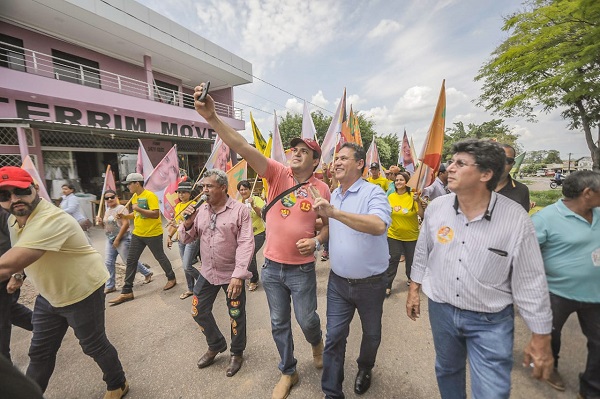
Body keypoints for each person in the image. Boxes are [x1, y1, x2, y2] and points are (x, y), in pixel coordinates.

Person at [193, 83, 330, 399]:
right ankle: (288, 372)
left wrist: (318, 243)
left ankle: (316, 342)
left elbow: (326, 229)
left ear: (315, 162)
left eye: (303, 151)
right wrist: (213, 117)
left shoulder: (321, 190)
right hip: (272, 269)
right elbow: (241, 145)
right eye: (293, 149)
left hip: (302, 271)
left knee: (307, 319)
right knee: (278, 323)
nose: (295, 152)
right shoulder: (277, 174)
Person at [406, 139, 554, 399]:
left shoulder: (515, 218)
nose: (449, 168)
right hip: (441, 309)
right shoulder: (438, 209)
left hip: (491, 320)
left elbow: (530, 280)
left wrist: (541, 336)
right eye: (452, 161)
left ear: (486, 174)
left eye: (460, 163)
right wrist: (414, 288)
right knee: (447, 369)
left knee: (492, 391)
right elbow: (423, 251)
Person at [0, 166, 128, 399]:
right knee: (39, 352)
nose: (14, 199)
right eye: (4, 195)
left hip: (82, 291)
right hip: (49, 295)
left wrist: (12, 270)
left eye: (20, 190)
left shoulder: (51, 219)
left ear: (35, 188)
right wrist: (18, 275)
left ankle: (118, 383)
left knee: (93, 345)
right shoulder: (13, 220)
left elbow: (6, 265)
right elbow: (18, 255)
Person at [313, 142, 391, 398]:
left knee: (372, 334)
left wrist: (334, 213)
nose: (336, 162)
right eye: (336, 158)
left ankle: (365, 368)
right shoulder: (334, 194)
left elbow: (378, 225)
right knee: (334, 336)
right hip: (338, 283)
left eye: (343, 158)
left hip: (372, 284)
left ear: (360, 164)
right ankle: (332, 392)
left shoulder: (373, 193)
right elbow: (330, 226)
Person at [532, 170, 600, 398]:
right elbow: (526, 256)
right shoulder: (545, 219)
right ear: (588, 193)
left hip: (595, 294)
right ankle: (550, 369)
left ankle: (591, 388)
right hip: (556, 293)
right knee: (550, 335)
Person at [179, 169, 253, 377]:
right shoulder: (201, 210)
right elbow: (186, 239)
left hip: (232, 275)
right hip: (208, 273)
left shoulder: (240, 211)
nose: (204, 191)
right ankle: (216, 344)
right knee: (198, 311)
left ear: (222, 187)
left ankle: (236, 353)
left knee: (236, 315)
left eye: (208, 186)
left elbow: (246, 243)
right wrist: (187, 223)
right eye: (203, 186)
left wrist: (239, 275)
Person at [109, 173, 177, 305]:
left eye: (129, 184)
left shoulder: (150, 196)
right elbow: (136, 214)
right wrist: (125, 216)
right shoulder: (135, 197)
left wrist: (138, 208)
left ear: (137, 183)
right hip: (138, 234)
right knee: (131, 260)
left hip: (153, 234)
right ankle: (127, 290)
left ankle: (171, 278)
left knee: (160, 257)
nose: (127, 187)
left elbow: (155, 214)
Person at [95, 190, 153, 294]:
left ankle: (146, 273)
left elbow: (126, 224)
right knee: (108, 262)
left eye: (111, 197)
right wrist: (100, 223)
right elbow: (106, 226)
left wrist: (118, 239)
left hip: (122, 239)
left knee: (129, 262)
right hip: (110, 239)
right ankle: (110, 285)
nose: (109, 199)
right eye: (107, 198)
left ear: (116, 197)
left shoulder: (121, 208)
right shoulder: (107, 210)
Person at [0, 207, 33, 363]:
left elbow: (20, 244)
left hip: (5, 275)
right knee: (10, 310)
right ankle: (46, 329)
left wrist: (16, 275)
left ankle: (5, 369)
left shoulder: (5, 213)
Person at [385, 171, 424, 296]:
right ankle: (387, 285)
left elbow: (422, 215)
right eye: (396, 180)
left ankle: (411, 278)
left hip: (411, 236)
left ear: (407, 182)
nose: (398, 182)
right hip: (393, 235)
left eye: (401, 180)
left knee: (411, 261)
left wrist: (418, 201)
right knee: (393, 259)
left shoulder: (413, 196)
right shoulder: (390, 197)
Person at [167, 181, 200, 300]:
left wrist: (180, 225)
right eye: (179, 192)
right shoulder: (178, 206)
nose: (181, 195)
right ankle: (191, 288)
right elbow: (176, 223)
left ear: (190, 193)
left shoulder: (195, 205)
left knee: (187, 266)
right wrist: (169, 236)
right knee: (185, 265)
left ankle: (203, 283)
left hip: (192, 238)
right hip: (181, 239)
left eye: (184, 192)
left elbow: (195, 224)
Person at [237, 180, 266, 291]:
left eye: (245, 189)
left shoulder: (257, 200)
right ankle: (251, 276)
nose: (243, 191)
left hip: (258, 233)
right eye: (241, 190)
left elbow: (263, 215)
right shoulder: (238, 203)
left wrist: (253, 205)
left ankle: (254, 280)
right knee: (247, 256)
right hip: (244, 235)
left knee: (250, 254)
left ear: (250, 189)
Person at [495, 144, 531, 212]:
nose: (502, 164)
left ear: (513, 164)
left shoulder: (522, 190)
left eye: (508, 160)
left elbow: (522, 220)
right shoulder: (475, 186)